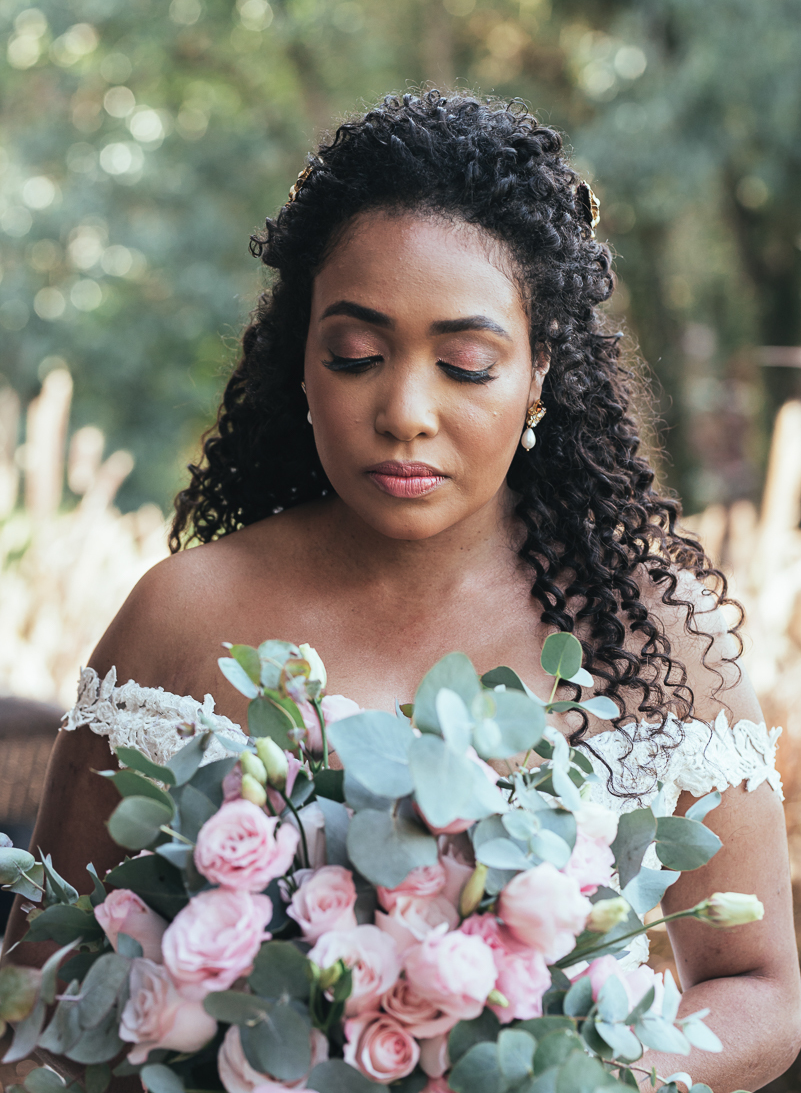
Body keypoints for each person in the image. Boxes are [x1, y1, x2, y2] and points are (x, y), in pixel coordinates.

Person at [5, 91, 799, 1090]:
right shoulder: (180, 619)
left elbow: (759, 985)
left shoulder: (651, 631)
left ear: (541, 374)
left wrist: (584, 1077)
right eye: (357, 355)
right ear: (303, 359)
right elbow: (39, 989)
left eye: (466, 364)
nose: (406, 411)